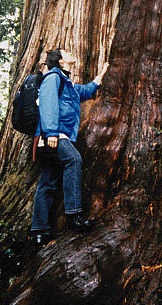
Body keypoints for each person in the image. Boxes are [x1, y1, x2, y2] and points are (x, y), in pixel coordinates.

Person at [30, 47, 109, 245]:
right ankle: (74, 215)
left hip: (57, 135)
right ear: (60, 60)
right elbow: (48, 103)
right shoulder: (52, 78)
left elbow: (84, 92)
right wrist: (51, 132)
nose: (71, 54)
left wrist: (100, 75)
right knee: (74, 160)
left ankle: (39, 230)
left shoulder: (66, 82)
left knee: (48, 180)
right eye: (66, 52)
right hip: (54, 135)